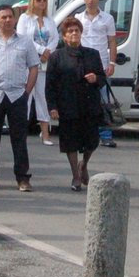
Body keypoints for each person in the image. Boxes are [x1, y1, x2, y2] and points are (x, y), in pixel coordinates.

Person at [0, 5, 38, 192]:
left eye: (10, 17)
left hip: (17, 95)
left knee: (19, 139)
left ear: (15, 20)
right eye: (3, 17)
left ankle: (22, 178)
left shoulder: (25, 42)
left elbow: (34, 67)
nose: (7, 20)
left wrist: (27, 91)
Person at [45, 15, 107, 192]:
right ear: (64, 36)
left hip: (89, 105)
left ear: (81, 33)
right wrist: (53, 107)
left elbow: (102, 79)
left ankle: (84, 164)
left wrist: (96, 78)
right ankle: (75, 175)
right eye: (70, 31)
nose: (74, 33)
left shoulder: (92, 54)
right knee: (70, 142)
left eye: (76, 30)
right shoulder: (57, 57)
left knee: (91, 142)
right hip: (68, 105)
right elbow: (50, 84)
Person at [78, 0, 121, 148]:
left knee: (104, 101)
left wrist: (112, 63)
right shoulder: (78, 18)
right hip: (83, 65)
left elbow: (112, 42)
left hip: (102, 65)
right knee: (83, 102)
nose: (91, 0)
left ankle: (106, 135)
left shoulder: (107, 18)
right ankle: (84, 134)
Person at [16, 0, 59, 144]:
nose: (41, 2)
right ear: (32, 1)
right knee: (25, 97)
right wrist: (41, 50)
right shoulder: (24, 18)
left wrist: (48, 52)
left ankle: (45, 134)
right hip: (28, 63)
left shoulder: (49, 20)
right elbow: (23, 38)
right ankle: (21, 132)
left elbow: (55, 38)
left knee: (43, 97)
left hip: (45, 64)